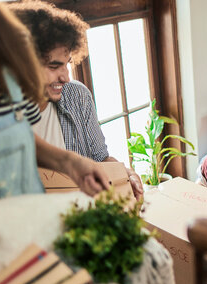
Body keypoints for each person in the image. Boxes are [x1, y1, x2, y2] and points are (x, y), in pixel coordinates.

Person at [0, 0, 109, 261]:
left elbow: (14, 133)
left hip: (30, 232)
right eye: (53, 66)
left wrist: (70, 162)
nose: (64, 76)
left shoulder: (7, 39)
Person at [8, 0, 143, 200]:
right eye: (54, 67)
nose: (66, 77)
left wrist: (125, 174)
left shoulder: (76, 96)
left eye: (67, 64)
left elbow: (100, 159)